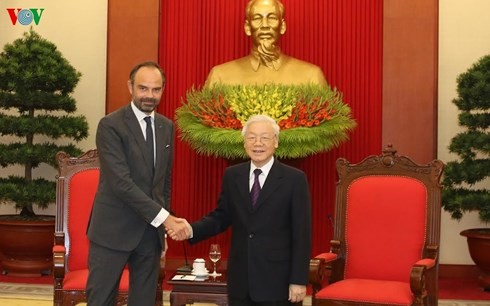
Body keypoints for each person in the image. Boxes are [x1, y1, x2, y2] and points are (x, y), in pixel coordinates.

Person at [169, 114, 312, 306]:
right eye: (251, 137)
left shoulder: (294, 179)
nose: (257, 143)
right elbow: (221, 217)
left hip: (277, 281)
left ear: (276, 142)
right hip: (240, 281)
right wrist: (191, 229)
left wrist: (298, 279)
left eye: (264, 137)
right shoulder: (233, 175)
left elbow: (301, 234)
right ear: (244, 143)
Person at [86, 61, 190, 306]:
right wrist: (165, 218)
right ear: (130, 86)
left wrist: (161, 230)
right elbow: (121, 184)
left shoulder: (166, 126)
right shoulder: (110, 125)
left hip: (149, 233)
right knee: (101, 300)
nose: (149, 96)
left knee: (144, 301)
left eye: (156, 90)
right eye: (143, 89)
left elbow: (162, 183)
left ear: (163, 89)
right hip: (112, 231)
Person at [205, 0, 327, 86]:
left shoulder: (311, 76)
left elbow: (331, 122)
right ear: (247, 27)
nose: (264, 25)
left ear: (282, 26)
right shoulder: (220, 76)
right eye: (257, 18)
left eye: (272, 18)